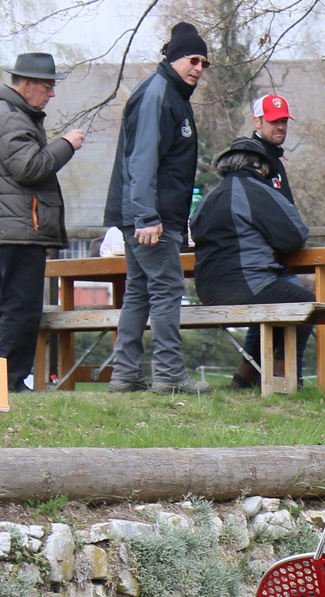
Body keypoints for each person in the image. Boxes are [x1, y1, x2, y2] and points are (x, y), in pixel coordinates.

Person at [103, 22, 211, 394]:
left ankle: (126, 374)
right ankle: (169, 375)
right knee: (166, 288)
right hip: (151, 218)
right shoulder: (159, 93)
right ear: (174, 58)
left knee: (140, 290)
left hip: (147, 215)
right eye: (192, 59)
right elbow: (143, 159)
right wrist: (147, 217)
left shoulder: (170, 93)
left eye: (204, 63)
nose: (198, 67)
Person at [0, 53, 85, 393]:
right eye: (47, 86)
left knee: (7, 308)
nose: (51, 93)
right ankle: (9, 382)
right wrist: (66, 145)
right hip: (20, 228)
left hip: (8, 227)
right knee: (21, 310)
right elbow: (30, 168)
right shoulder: (11, 118)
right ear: (26, 84)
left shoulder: (8, 114)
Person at [191, 137, 313, 384]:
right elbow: (295, 236)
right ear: (258, 167)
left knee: (277, 299)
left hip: (207, 291)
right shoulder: (258, 192)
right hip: (247, 285)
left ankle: (244, 377)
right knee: (303, 302)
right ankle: (283, 374)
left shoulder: (207, 199)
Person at [249, 93, 293, 202]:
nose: (281, 127)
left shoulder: (274, 157)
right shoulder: (250, 160)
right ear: (257, 122)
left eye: (284, 121)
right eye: (274, 121)